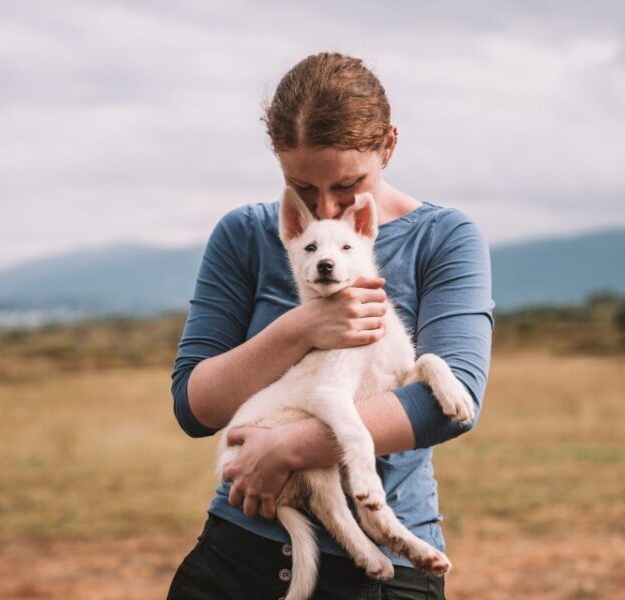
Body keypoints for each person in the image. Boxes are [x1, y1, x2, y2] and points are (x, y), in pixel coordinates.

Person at [167, 52, 494, 600]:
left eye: (346, 188)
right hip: (238, 554)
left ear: (388, 145)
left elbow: (452, 402)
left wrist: (290, 448)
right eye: (302, 186)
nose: (324, 208)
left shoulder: (444, 237)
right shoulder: (245, 234)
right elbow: (193, 407)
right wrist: (302, 328)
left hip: (386, 568)